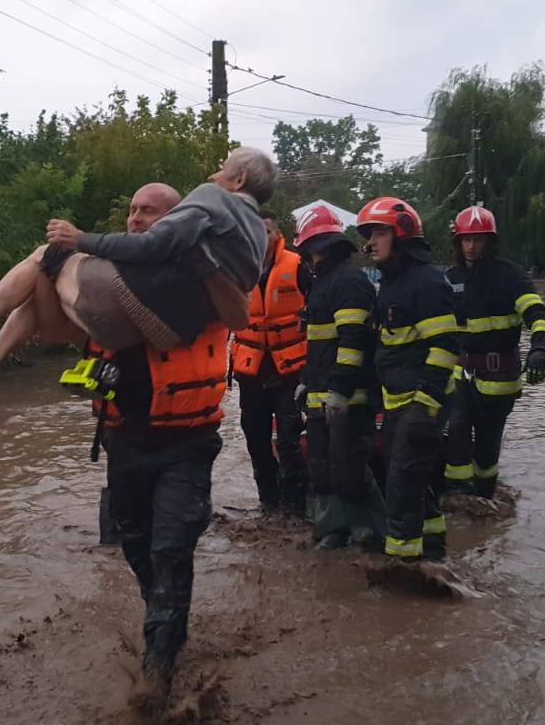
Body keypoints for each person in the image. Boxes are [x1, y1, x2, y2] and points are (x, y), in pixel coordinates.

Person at [0, 148, 277, 390]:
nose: (215, 175)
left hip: (129, 302)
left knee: (48, 251)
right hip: (161, 332)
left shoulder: (213, 197)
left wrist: (80, 239)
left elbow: (153, 246)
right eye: (132, 210)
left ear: (240, 178)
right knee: (40, 279)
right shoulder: (259, 237)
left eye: (224, 169)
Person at [72, 318, 229, 712]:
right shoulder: (100, 287)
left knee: (171, 548)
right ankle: (167, 619)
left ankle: (157, 667)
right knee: (137, 545)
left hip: (187, 441)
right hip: (124, 442)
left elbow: (237, 297)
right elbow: (49, 310)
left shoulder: (204, 276)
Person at [357, 197, 459, 562]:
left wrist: (425, 405)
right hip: (401, 404)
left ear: (401, 234)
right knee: (409, 480)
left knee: (400, 485)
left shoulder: (426, 283)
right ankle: (432, 547)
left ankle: (402, 566)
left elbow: (446, 347)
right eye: (368, 234)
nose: (370, 242)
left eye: (378, 232)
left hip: (421, 404)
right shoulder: (392, 284)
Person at [442, 205, 545, 498]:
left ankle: (485, 497)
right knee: (456, 432)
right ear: (457, 242)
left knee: (488, 447)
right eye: (466, 239)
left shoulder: (510, 276)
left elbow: (537, 313)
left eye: (478, 239)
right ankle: (459, 500)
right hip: (459, 374)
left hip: (499, 376)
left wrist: (540, 349)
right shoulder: (450, 278)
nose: (471, 246)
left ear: (490, 242)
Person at [93, 183, 182, 546]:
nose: (135, 219)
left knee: (171, 540)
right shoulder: (104, 269)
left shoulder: (192, 272)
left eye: (147, 211)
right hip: (121, 424)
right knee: (125, 537)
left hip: (179, 430)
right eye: (132, 210)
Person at [292, 205, 384, 549]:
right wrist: (305, 381)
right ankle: (334, 532)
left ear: (319, 248)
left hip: (348, 401)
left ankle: (373, 535)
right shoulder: (323, 285)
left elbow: (352, 341)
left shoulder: (348, 282)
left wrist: (342, 391)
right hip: (321, 398)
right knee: (322, 472)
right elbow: (318, 346)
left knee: (349, 472)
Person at [230, 210, 309, 515]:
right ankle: (268, 501)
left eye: (265, 231)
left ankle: (294, 505)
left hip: (289, 372)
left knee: (289, 440)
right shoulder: (235, 272)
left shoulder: (298, 267)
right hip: (251, 373)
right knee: (255, 439)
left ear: (277, 235)